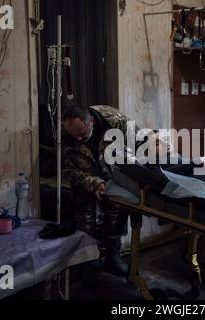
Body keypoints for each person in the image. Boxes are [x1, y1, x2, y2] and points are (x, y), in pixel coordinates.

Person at [62, 105, 140, 277]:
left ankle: (113, 258)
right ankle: (88, 263)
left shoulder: (113, 120)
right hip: (86, 180)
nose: (79, 139)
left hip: (114, 175)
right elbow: (68, 171)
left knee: (116, 216)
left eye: (82, 133)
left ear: (90, 121)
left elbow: (139, 141)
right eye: (74, 135)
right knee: (85, 220)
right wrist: (94, 183)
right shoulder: (67, 139)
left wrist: (132, 171)